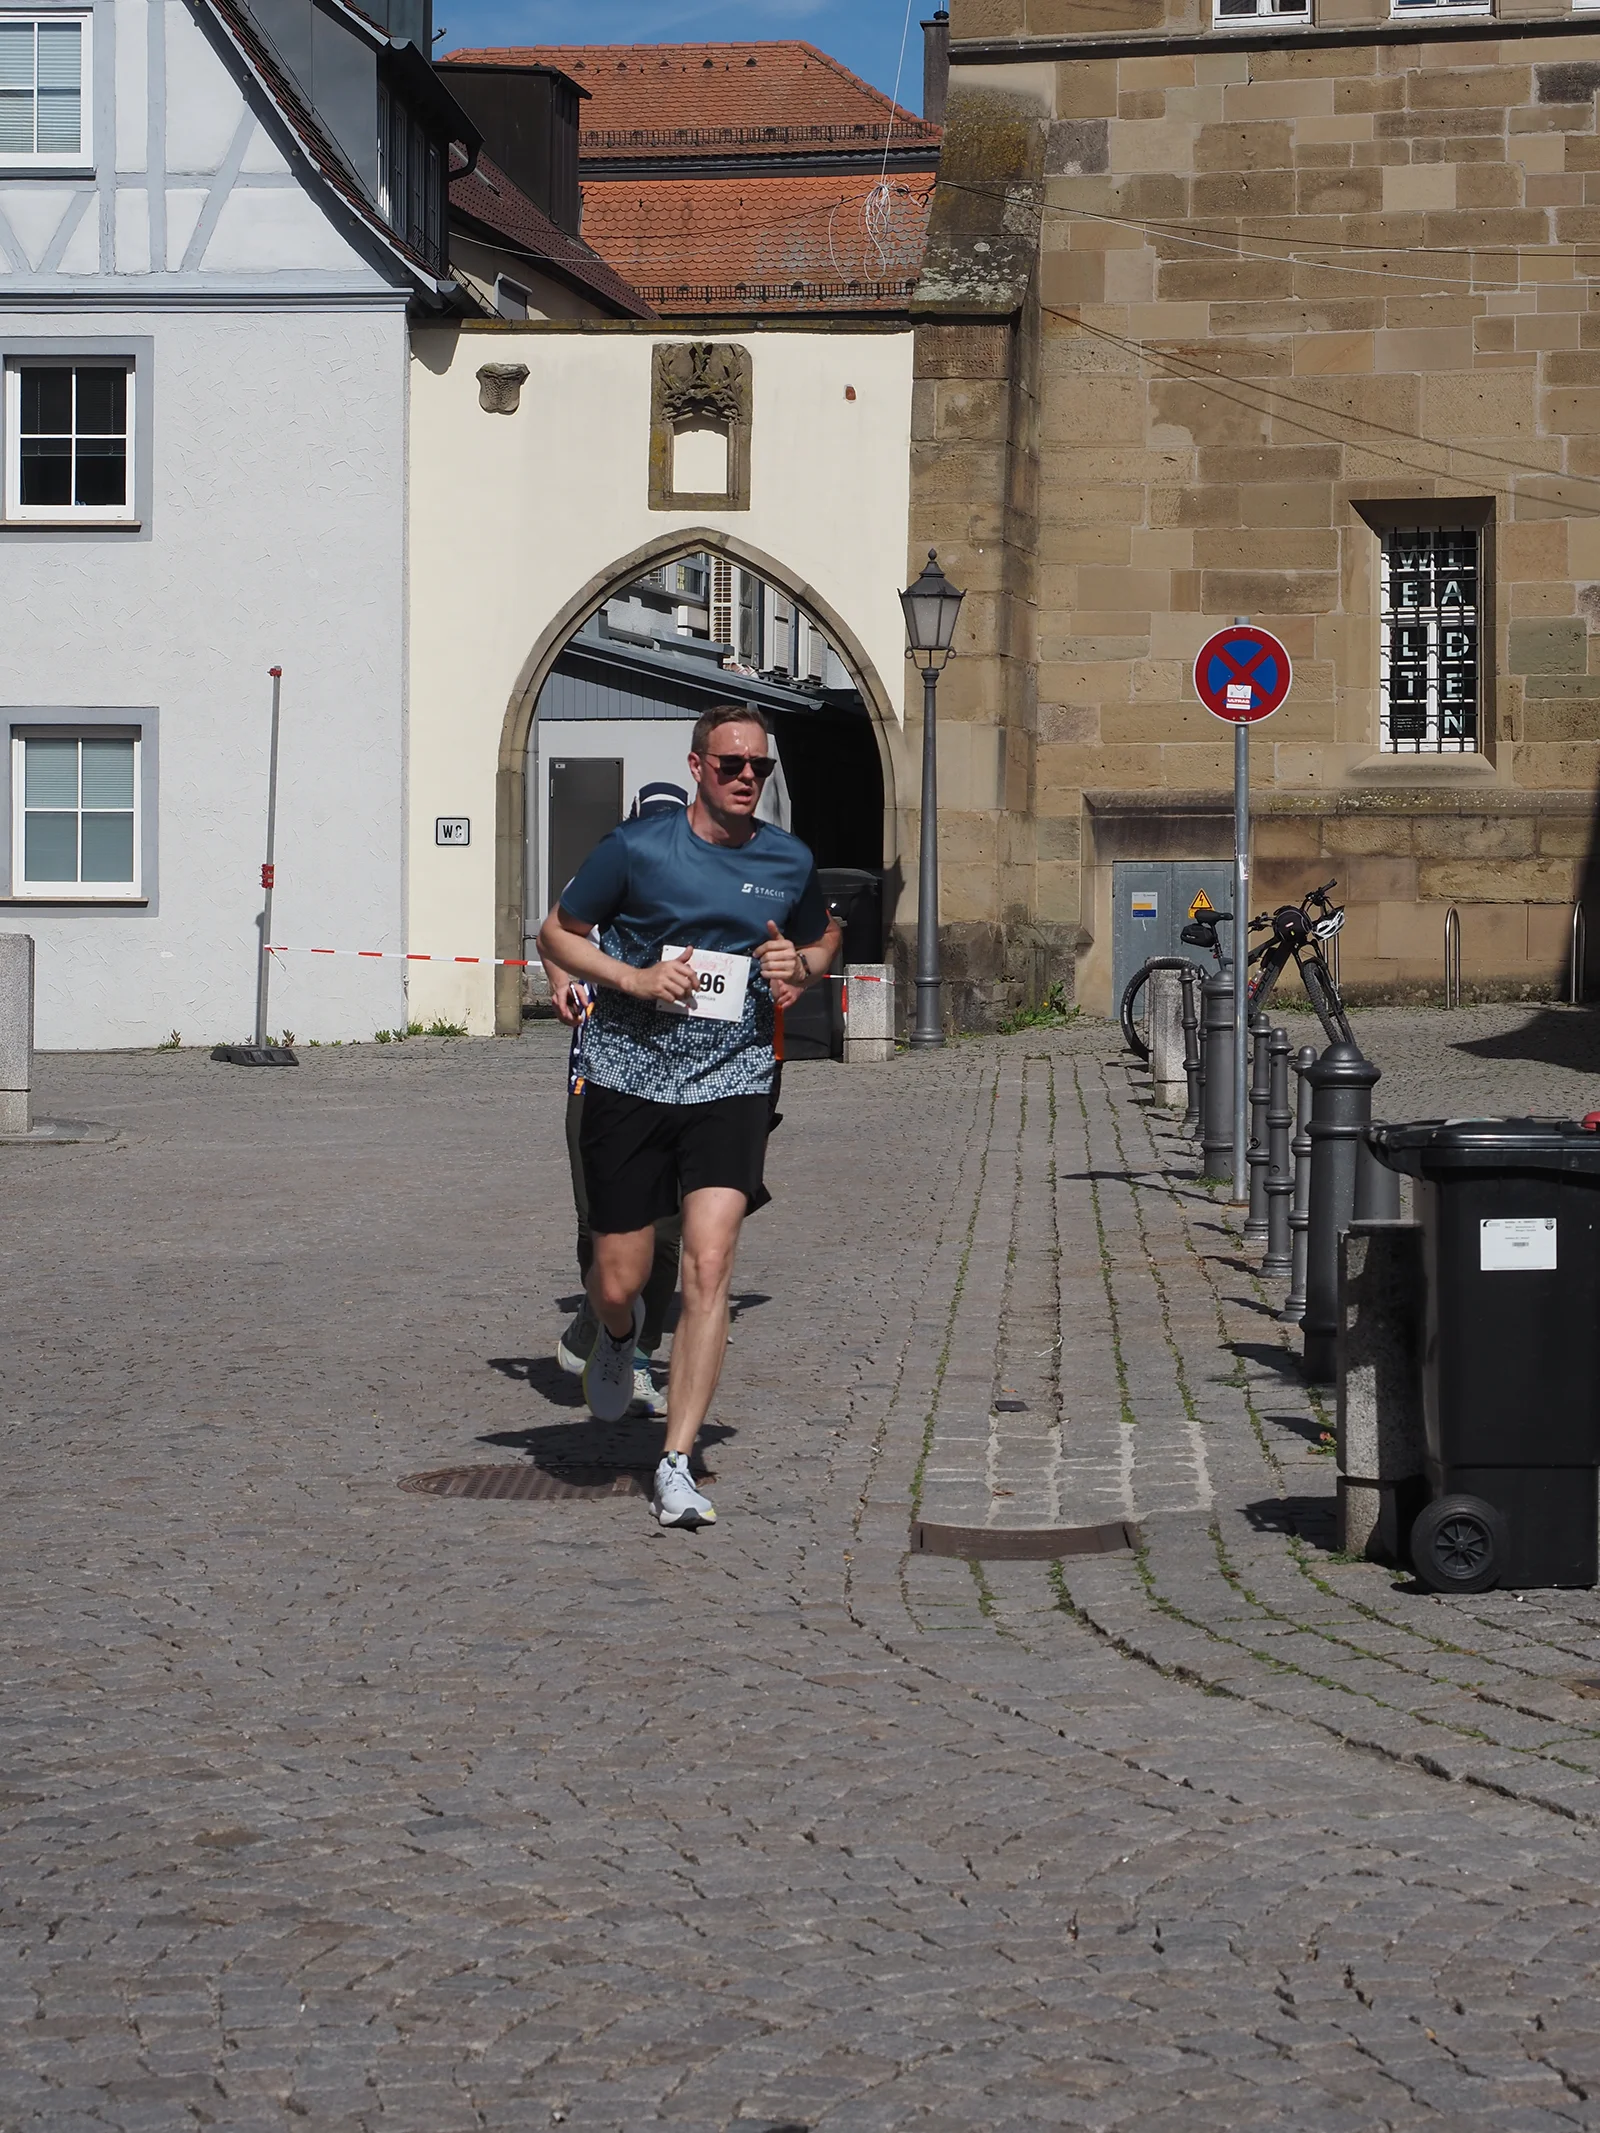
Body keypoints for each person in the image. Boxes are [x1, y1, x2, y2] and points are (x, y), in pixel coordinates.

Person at [537, 704, 841, 1529]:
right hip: (628, 1077)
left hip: (732, 1078)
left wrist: (800, 965)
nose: (747, 777)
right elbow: (558, 933)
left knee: (710, 1263)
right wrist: (632, 980)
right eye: (731, 763)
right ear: (698, 765)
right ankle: (616, 1332)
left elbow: (822, 942)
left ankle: (675, 1460)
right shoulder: (637, 849)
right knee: (619, 1278)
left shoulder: (787, 858)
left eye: (759, 767)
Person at [543, 784, 691, 1419]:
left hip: (683, 1081)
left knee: (666, 1234)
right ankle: (601, 1313)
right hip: (598, 1077)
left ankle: (636, 1354)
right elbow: (552, 934)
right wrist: (562, 984)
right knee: (597, 1222)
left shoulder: (702, 890)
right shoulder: (605, 875)